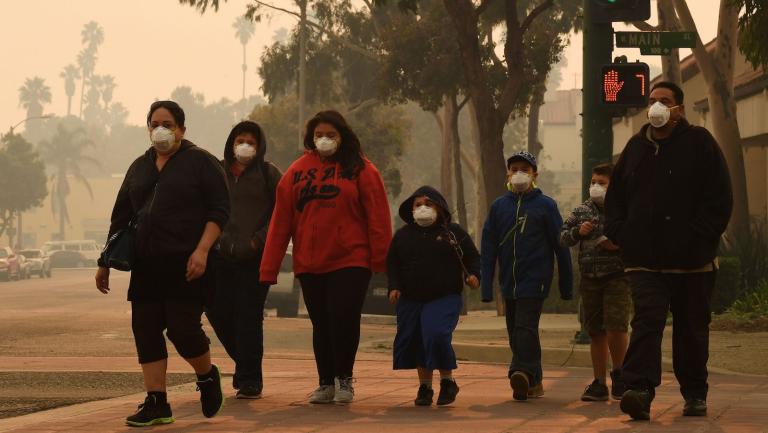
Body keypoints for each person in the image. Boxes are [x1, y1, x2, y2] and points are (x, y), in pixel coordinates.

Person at [95, 101, 230, 426]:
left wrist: (202, 251)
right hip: (147, 265)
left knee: (183, 330)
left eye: (167, 124)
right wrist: (104, 262)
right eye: (154, 123)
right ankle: (157, 402)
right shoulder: (139, 167)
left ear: (182, 129)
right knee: (145, 329)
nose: (160, 130)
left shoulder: (201, 162)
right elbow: (121, 217)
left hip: (188, 263)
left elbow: (220, 211)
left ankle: (207, 375)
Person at [605, 82, 733, 420]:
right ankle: (639, 390)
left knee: (691, 331)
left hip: (693, 263)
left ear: (679, 109)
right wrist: (623, 234)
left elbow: (720, 198)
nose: (657, 107)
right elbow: (616, 200)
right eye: (652, 101)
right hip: (644, 262)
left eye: (664, 101)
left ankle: (695, 393)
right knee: (646, 322)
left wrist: (698, 238)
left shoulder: (700, 144)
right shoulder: (635, 148)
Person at [259, 110, 392, 404]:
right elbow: (280, 223)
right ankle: (325, 383)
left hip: (351, 260)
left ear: (342, 137)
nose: (324, 139)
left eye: (331, 135)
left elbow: (378, 218)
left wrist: (382, 262)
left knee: (343, 318)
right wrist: (269, 268)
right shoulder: (296, 172)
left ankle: (344, 379)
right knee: (321, 323)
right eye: (319, 135)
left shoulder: (361, 169)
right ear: (311, 138)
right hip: (310, 263)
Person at [480, 150, 573, 401]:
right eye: (514, 169)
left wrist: (566, 286)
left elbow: (561, 246)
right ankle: (535, 381)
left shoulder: (546, 206)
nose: (519, 173)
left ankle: (520, 372)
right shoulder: (499, 207)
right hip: (509, 282)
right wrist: (487, 287)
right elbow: (488, 248)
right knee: (516, 331)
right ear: (508, 174)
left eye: (525, 169)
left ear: (534, 175)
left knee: (525, 327)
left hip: (536, 280)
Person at [206, 121, 283, 399]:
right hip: (219, 255)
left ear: (259, 146)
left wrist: (257, 241)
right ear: (231, 143)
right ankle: (245, 364)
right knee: (216, 310)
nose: (245, 146)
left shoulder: (269, 173)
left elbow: (281, 211)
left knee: (248, 318)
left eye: (251, 142)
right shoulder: (216, 171)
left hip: (254, 258)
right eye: (240, 141)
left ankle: (250, 380)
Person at [387, 186, 481, 407]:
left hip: (444, 296)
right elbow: (393, 264)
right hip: (411, 298)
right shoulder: (402, 236)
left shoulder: (453, 233)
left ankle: (447, 381)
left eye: (428, 204)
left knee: (435, 334)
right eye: (418, 205)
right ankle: (425, 387)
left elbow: (472, 257)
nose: (423, 208)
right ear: (411, 210)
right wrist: (394, 287)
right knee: (417, 339)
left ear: (439, 208)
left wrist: (474, 275)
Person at [561, 163, 630, 402]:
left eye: (602, 183)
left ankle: (620, 376)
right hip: (589, 279)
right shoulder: (582, 211)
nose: (596, 187)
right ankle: (599, 382)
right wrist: (578, 232)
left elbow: (638, 235)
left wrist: (616, 245)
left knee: (616, 327)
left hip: (617, 277)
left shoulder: (624, 210)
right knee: (595, 331)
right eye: (593, 182)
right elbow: (563, 237)